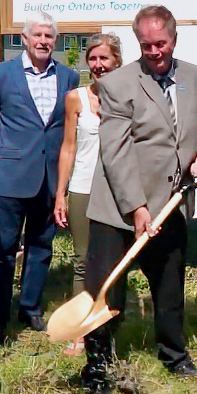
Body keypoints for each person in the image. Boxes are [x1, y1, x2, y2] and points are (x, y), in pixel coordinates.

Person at [79, 5, 197, 394]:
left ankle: (175, 356)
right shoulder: (118, 83)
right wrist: (136, 208)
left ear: (174, 39)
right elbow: (115, 151)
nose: (155, 52)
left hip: (171, 205)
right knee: (107, 290)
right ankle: (97, 369)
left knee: (170, 286)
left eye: (161, 43)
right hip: (119, 209)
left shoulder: (195, 76)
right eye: (146, 45)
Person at [0, 12, 79, 345]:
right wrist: (11, 149)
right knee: (3, 249)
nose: (43, 41)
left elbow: (67, 126)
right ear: (24, 38)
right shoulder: (2, 74)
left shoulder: (68, 77)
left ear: (55, 41)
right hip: (11, 177)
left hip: (50, 177)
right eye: (37, 35)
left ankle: (30, 307)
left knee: (41, 246)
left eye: (49, 36)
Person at [53, 33, 123, 356]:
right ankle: (80, 331)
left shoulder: (128, 97)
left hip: (117, 191)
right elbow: (68, 147)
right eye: (92, 59)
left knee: (114, 262)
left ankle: (110, 325)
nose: (98, 65)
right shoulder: (75, 98)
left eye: (104, 58)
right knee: (83, 260)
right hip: (82, 187)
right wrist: (60, 193)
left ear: (116, 61)